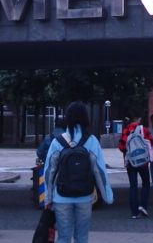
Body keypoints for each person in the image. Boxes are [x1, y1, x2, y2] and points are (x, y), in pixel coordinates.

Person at [44, 102, 113, 243]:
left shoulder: (58, 141)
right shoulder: (92, 141)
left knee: (63, 237)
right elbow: (99, 171)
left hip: (61, 196)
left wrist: (48, 198)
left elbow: (49, 171)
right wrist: (107, 196)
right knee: (82, 237)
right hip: (84, 196)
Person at [118, 116, 153, 219]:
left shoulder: (126, 131)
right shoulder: (143, 130)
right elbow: (151, 142)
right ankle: (143, 206)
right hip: (143, 162)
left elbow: (121, 146)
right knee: (146, 184)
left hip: (130, 163)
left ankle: (134, 212)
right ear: (138, 119)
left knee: (133, 186)